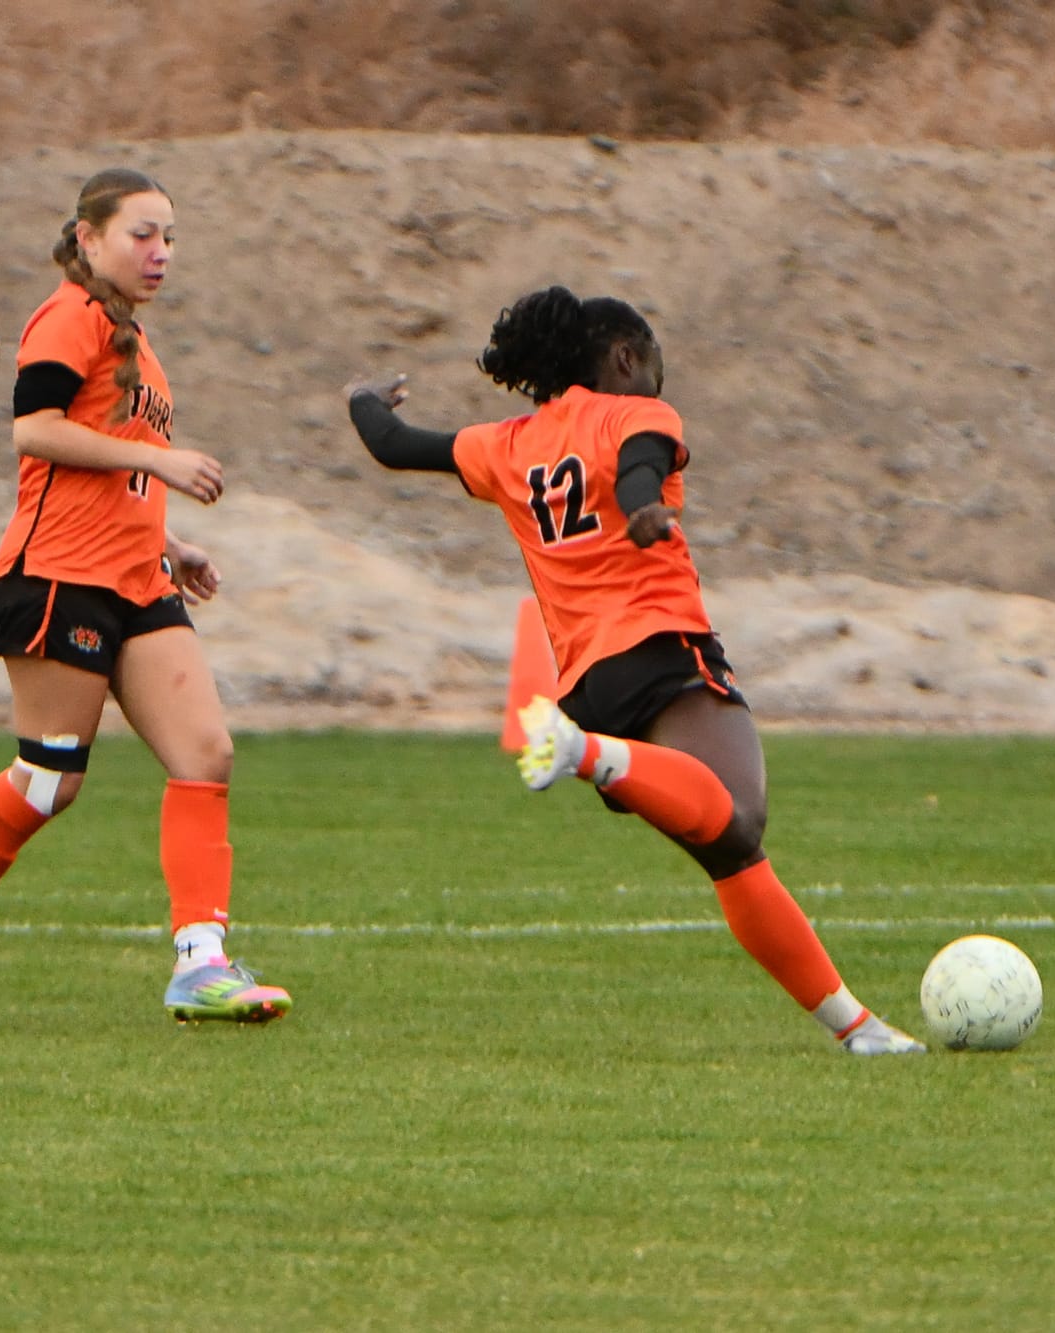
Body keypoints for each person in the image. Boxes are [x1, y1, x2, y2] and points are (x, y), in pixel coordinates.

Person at [343, 285, 924, 1056]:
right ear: (625, 357)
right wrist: (645, 508)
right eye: (655, 364)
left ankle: (858, 1029)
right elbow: (640, 465)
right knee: (740, 820)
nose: (660, 383)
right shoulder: (638, 413)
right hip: (658, 644)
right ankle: (580, 754)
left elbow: (394, 443)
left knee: (730, 851)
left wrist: (361, 400)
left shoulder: (507, 444)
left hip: (587, 683)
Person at [0, 168, 292, 1027]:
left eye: (170, 237)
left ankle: (200, 960)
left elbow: (109, 463)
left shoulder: (140, 347)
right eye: (142, 234)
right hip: (58, 579)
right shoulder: (63, 318)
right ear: (88, 239)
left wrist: (170, 541)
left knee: (206, 754)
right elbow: (34, 430)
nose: (160, 253)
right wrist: (159, 463)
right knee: (48, 782)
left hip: (137, 581)